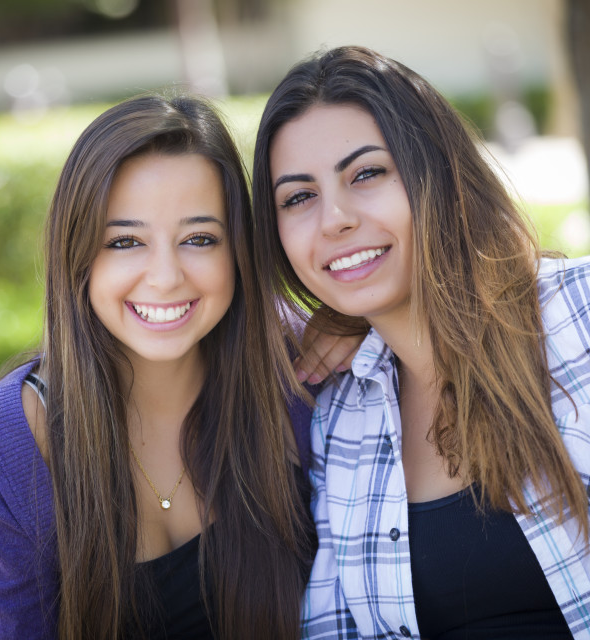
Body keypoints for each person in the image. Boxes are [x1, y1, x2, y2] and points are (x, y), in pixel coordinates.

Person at [0, 93, 359, 640]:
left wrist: (364, 322)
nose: (165, 277)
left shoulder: (293, 373)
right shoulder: (15, 441)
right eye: (125, 241)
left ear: (237, 251)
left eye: (198, 239)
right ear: (78, 257)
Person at [252, 45, 590, 639]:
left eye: (367, 173)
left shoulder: (578, 314)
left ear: (436, 170)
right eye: (298, 197)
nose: (334, 219)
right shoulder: (339, 416)